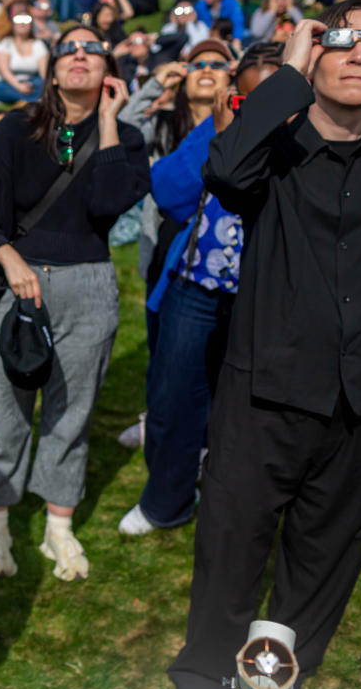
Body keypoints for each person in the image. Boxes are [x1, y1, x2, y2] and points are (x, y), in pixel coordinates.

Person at [165, 0, 361, 689]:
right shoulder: (272, 151)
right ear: (314, 56)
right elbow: (223, 168)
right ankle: (202, 676)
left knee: (326, 554)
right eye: (341, 41)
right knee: (232, 545)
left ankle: (275, 679)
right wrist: (292, 69)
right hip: (265, 386)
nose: (360, 55)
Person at [0, 26, 150, 582]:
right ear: (53, 68)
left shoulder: (127, 140)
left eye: (92, 49)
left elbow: (109, 206)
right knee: (7, 415)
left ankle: (57, 527)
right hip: (13, 288)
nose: (80, 56)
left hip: (87, 285)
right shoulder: (16, 129)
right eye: (69, 49)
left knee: (72, 412)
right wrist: (10, 259)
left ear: (109, 69)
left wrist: (109, 122)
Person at [119, 42, 284, 539]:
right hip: (195, 281)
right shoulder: (216, 127)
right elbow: (167, 191)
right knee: (173, 397)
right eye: (246, 98)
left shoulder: (305, 138)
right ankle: (166, 501)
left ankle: (233, 503)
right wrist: (217, 131)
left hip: (266, 291)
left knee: (249, 407)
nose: (258, 110)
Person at [0, 5, 49, 105]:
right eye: (18, 20)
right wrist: (19, 86)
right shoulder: (4, 44)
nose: (22, 23)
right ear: (13, 24)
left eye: (26, 20)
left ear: (31, 24)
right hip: (4, 83)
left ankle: (30, 99)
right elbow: (4, 72)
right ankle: (34, 100)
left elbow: (44, 73)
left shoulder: (38, 45)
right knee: (3, 90)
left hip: (29, 82)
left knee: (42, 85)